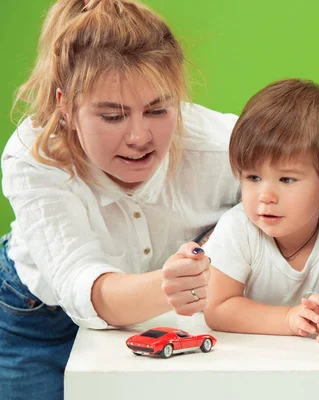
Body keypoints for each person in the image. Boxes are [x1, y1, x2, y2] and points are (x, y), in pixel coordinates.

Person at [0, 1, 240, 399]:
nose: (139, 137)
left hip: (163, 319)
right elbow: (81, 283)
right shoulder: (34, 155)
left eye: (159, 109)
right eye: (113, 116)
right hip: (35, 319)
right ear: (65, 106)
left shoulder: (221, 145)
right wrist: (174, 283)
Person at [202, 79, 319, 342]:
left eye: (286, 180)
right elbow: (218, 309)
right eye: (253, 178)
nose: (265, 196)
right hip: (249, 360)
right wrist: (289, 319)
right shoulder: (237, 228)